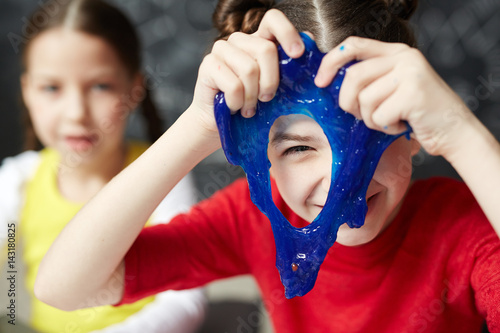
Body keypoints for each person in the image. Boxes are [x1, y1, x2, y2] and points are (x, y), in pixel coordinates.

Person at [36, 0, 500, 332]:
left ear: (414, 130)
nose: (340, 180)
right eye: (298, 149)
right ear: (264, 159)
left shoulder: (465, 229)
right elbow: (64, 288)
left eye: (369, 134)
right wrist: (200, 124)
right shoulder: (252, 217)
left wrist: (461, 132)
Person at [0, 0, 207, 332]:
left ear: (134, 89)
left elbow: (184, 301)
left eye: (100, 86)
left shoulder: (166, 179)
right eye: (51, 87)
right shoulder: (17, 180)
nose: (75, 113)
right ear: (27, 91)